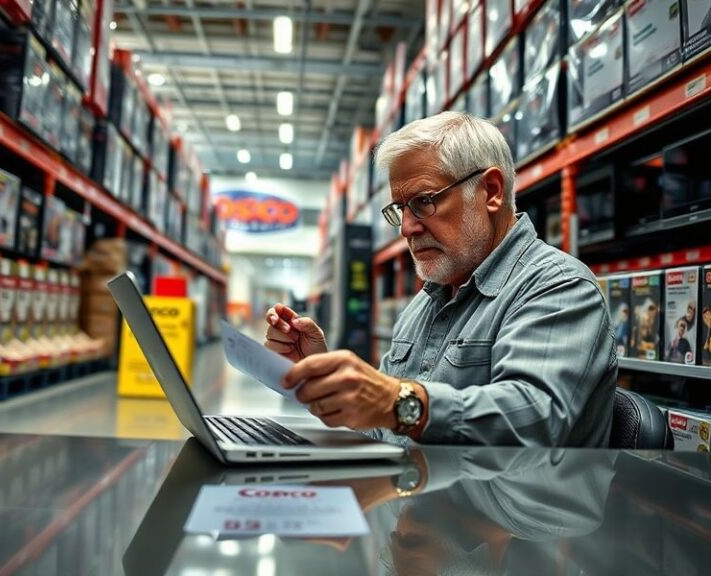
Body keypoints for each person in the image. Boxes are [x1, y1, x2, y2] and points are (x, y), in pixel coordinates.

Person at [264, 111, 616, 447]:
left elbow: (537, 419)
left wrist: (399, 403)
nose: (406, 228)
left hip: (510, 510)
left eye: (422, 201)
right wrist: (324, 381)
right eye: (400, 209)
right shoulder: (425, 304)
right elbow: (386, 431)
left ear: (491, 191)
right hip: (418, 500)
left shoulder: (557, 286)